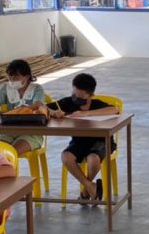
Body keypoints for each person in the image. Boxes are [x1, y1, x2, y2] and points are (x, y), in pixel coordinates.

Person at [47, 73, 119, 203]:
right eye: (74, 94)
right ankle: (90, 186)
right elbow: (44, 107)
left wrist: (85, 113)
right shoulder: (68, 102)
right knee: (66, 157)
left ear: (91, 95)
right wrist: (54, 112)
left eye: (80, 97)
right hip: (79, 142)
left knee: (93, 159)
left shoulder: (97, 104)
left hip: (101, 141)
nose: (76, 98)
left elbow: (114, 109)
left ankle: (86, 191)